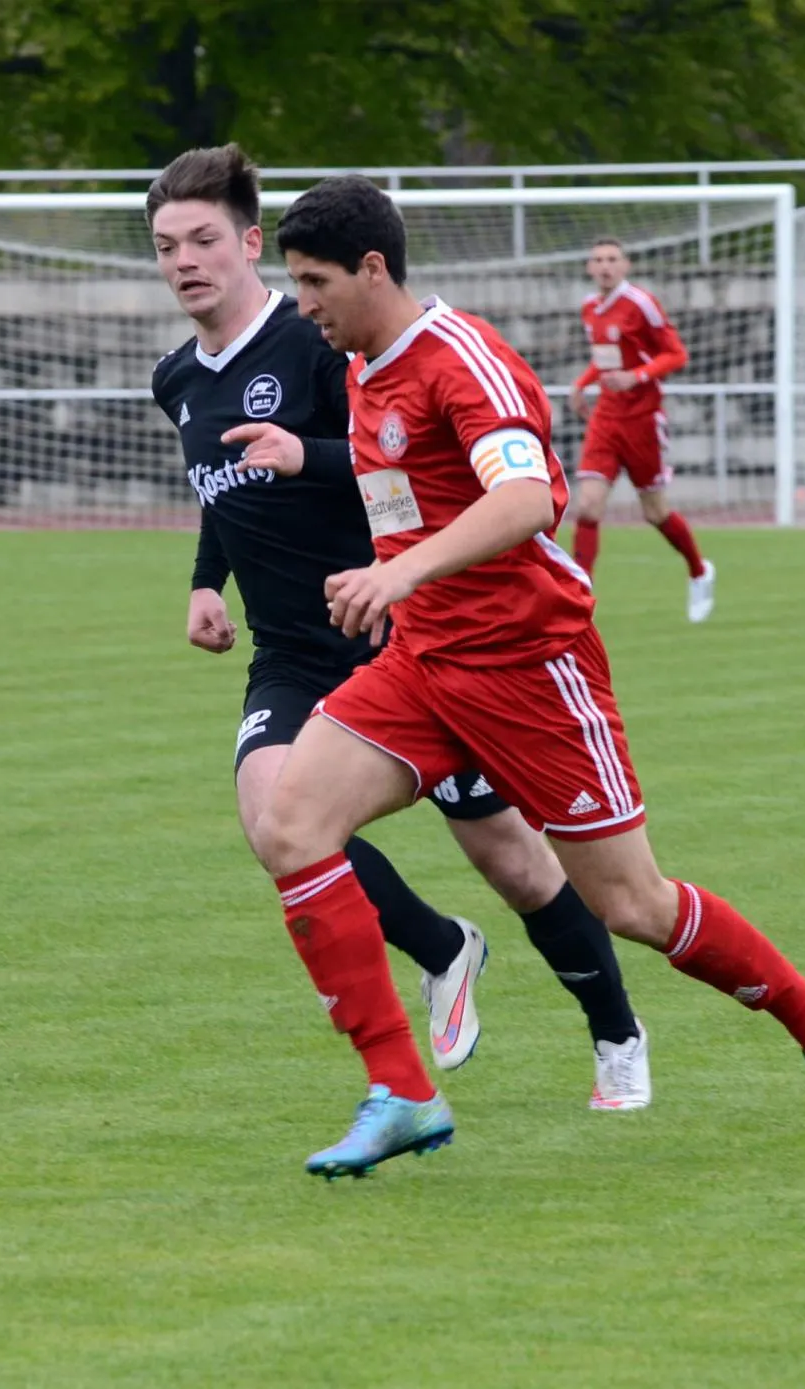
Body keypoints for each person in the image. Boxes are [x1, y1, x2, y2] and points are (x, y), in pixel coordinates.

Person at [259, 176, 805, 1178]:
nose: (302, 304)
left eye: (314, 282)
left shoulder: (463, 359)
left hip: (531, 670)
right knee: (289, 824)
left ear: (372, 269)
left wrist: (397, 573)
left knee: (633, 904)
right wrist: (381, 564)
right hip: (422, 665)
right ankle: (402, 1090)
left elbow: (526, 499)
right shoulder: (364, 367)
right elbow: (414, 498)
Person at [148, 146, 649, 1107]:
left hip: (398, 634)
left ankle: (616, 1029)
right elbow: (224, 486)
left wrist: (307, 457)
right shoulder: (176, 377)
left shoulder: (318, 337)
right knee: (275, 819)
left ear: (249, 243)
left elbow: (400, 458)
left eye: (203, 239)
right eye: (167, 246)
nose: (184, 261)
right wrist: (207, 581)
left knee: (513, 860)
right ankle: (439, 947)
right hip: (291, 649)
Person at [568, 238, 715, 622]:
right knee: (587, 505)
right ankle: (578, 598)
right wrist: (582, 383)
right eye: (598, 259)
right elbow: (604, 361)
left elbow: (677, 354)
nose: (605, 266)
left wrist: (637, 376)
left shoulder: (641, 303)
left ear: (625, 265)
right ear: (589, 267)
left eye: (612, 259)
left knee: (655, 512)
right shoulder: (589, 308)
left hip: (643, 421)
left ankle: (699, 570)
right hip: (605, 419)